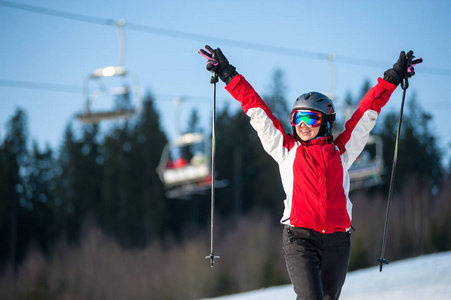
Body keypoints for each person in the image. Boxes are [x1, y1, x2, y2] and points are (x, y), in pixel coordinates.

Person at [199, 46, 420, 300]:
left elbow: (367, 113)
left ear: (326, 121)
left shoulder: (342, 151)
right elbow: (256, 109)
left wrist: (392, 78)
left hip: (338, 240)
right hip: (300, 239)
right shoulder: (286, 150)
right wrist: (228, 74)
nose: (303, 125)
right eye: (297, 118)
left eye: (310, 119)